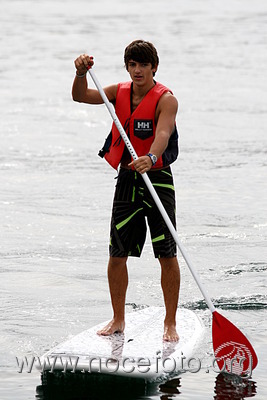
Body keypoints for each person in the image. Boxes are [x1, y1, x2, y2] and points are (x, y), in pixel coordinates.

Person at [72, 40, 180, 342]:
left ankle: (170, 323)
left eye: (143, 65)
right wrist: (80, 73)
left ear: (153, 67)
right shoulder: (117, 92)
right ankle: (118, 319)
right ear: (127, 67)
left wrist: (152, 157)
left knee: (166, 255)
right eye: (132, 65)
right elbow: (80, 96)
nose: (137, 70)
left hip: (157, 178)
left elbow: (162, 132)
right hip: (127, 180)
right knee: (117, 254)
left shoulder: (166, 99)